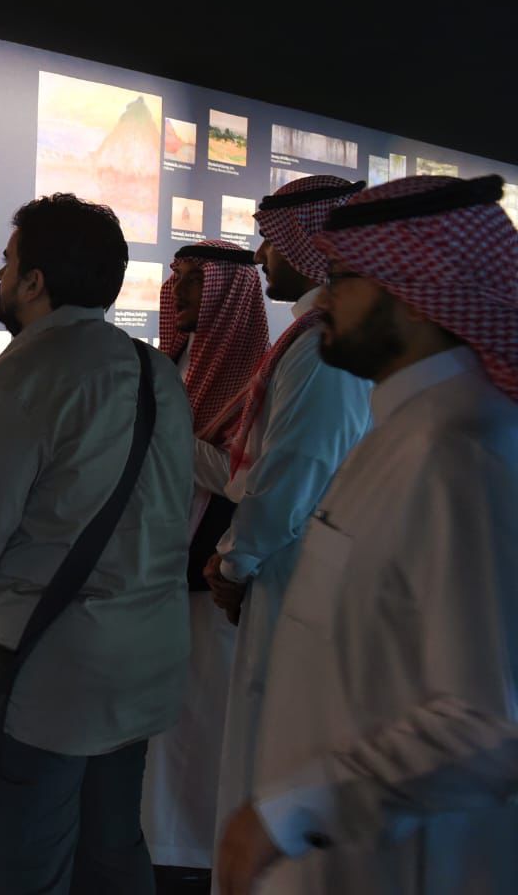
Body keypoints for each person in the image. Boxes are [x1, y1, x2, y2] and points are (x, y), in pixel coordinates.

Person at [216, 174, 518, 894]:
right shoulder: (407, 429)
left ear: (414, 294)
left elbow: (488, 718)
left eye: (344, 280)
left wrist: (291, 814)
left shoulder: (459, 453)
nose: (324, 301)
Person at [0, 193, 193, 893]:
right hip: (141, 667)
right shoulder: (156, 372)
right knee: (113, 853)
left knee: (18, 869)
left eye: (8, 261)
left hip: (43, 679)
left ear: (35, 281)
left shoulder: (16, 382)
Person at [197, 175, 372, 853]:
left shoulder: (326, 347)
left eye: (272, 242)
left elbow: (293, 472)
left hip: (292, 565)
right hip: (288, 562)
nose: (262, 257)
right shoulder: (307, 336)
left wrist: (235, 560)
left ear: (310, 246)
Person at [142, 240, 268, 874]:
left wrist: (171, 436)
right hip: (158, 563)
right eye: (179, 278)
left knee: (203, 714)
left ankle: (194, 848)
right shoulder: (175, 362)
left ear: (229, 293)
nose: (181, 291)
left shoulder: (258, 374)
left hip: (214, 571)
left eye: (196, 280)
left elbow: (246, 477)